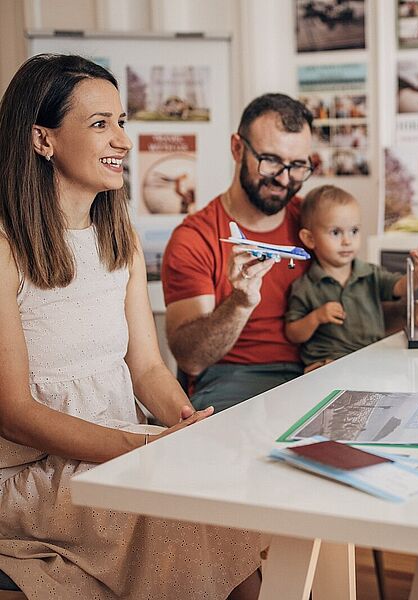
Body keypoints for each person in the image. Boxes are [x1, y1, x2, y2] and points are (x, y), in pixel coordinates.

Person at [0, 54, 264, 599]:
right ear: (41, 140)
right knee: (193, 525)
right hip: (35, 475)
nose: (122, 140)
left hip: (124, 452)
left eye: (122, 121)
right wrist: (139, 449)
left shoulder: (117, 235)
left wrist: (188, 425)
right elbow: (15, 412)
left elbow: (146, 368)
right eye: (100, 124)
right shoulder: (6, 249)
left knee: (236, 508)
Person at [162, 94, 418, 413]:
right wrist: (239, 302)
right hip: (236, 381)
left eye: (298, 166)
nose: (286, 179)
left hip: (323, 369)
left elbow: (352, 312)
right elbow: (191, 360)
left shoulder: (318, 223)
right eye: (271, 161)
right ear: (237, 148)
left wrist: (411, 315)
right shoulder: (195, 238)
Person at [285, 185, 418, 371]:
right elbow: (293, 333)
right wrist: (316, 317)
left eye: (354, 231)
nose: (347, 241)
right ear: (309, 239)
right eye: (336, 232)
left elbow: (402, 287)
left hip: (371, 359)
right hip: (328, 363)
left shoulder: (370, 273)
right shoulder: (305, 286)